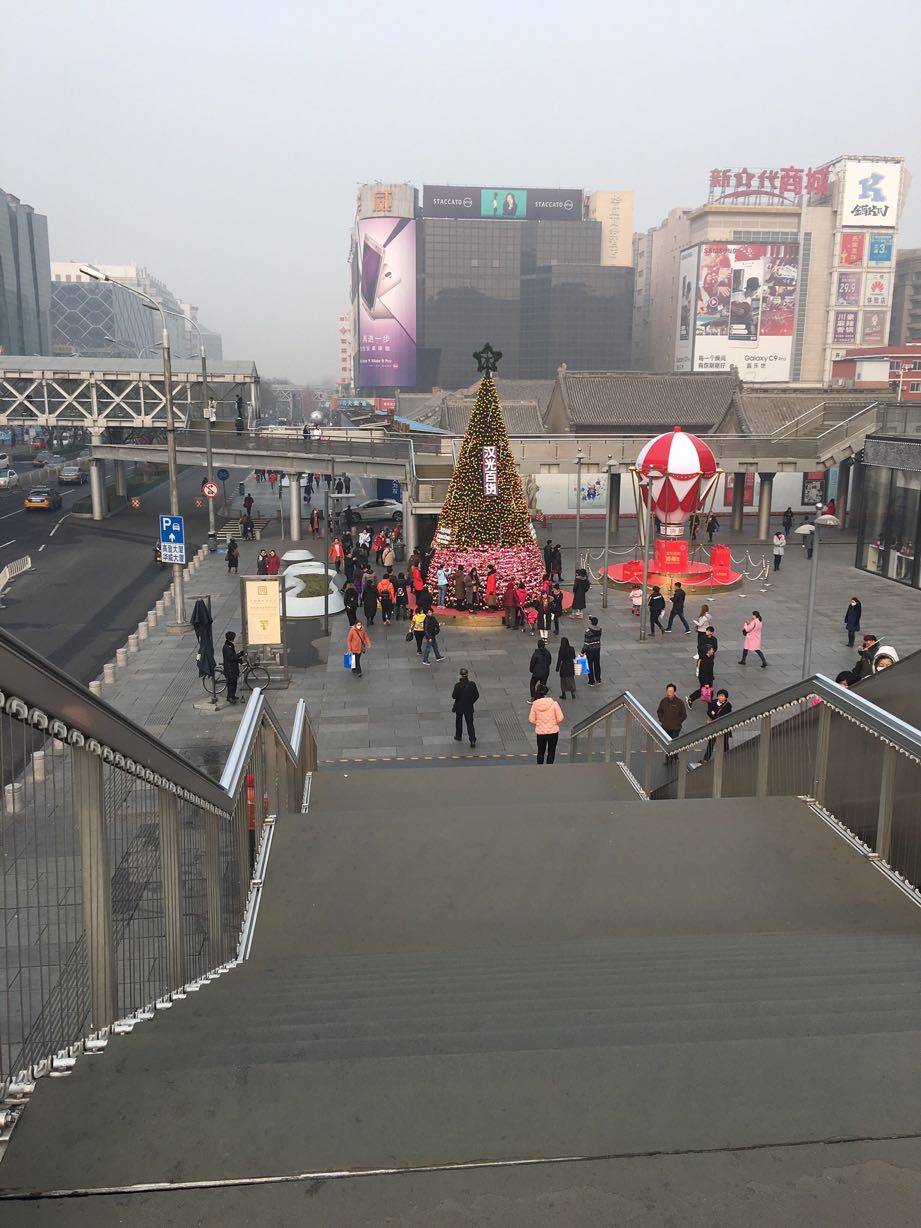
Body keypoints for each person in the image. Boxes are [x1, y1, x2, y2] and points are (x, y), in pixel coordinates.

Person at [529, 684, 565, 764]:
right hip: (553, 731)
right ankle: (549, 767)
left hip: (541, 732)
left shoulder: (535, 705)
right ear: (547, 693)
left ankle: (540, 767)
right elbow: (560, 717)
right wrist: (553, 722)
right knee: (551, 751)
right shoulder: (554, 704)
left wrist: (539, 722)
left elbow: (531, 719)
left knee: (540, 751)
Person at [702, 689, 733, 762]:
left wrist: (713, 714)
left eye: (722, 696)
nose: (721, 697)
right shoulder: (713, 702)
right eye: (719, 696)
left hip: (724, 727)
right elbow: (709, 712)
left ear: (726, 697)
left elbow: (722, 716)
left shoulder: (728, 705)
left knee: (725, 743)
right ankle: (706, 759)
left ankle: (726, 757)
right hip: (714, 727)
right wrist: (713, 714)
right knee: (711, 742)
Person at [451, 669, 479, 747]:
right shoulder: (472, 684)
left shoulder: (457, 685)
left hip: (459, 706)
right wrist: (471, 702)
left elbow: (454, 696)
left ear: (460, 675)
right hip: (469, 707)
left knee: (458, 721)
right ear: (467, 675)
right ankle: (472, 740)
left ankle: (458, 736)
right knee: (470, 723)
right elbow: (477, 695)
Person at [222, 631, 242, 704]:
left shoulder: (229, 645)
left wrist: (238, 660)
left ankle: (232, 695)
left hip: (232, 668)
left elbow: (233, 657)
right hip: (230, 669)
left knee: (234, 683)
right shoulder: (227, 647)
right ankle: (229, 697)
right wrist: (240, 654)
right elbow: (231, 657)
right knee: (231, 684)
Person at [582, 616, 602, 686]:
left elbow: (586, 643)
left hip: (590, 649)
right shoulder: (600, 629)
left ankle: (591, 681)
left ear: (591, 622)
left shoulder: (588, 631)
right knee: (597, 664)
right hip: (597, 648)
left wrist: (582, 652)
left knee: (590, 665)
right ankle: (598, 679)